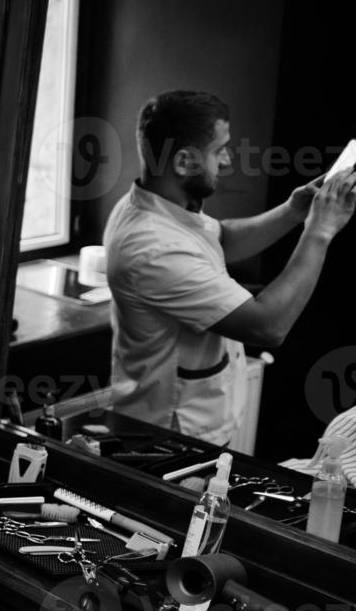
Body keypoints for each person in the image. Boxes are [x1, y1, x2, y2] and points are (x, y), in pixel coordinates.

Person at [106, 90, 356, 445]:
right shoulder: (153, 248)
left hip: (188, 424)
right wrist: (320, 231)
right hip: (168, 437)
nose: (226, 161)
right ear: (183, 163)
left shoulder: (160, 203)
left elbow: (221, 238)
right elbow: (269, 326)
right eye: (218, 150)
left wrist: (294, 210)